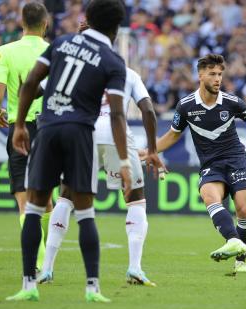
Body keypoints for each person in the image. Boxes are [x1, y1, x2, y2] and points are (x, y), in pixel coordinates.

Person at [7, 0, 129, 302]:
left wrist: (20, 124)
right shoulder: (114, 62)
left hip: (47, 130)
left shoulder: (61, 43)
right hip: (79, 134)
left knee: (34, 208)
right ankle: (92, 289)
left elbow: (32, 83)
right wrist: (123, 159)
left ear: (87, 19)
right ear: (116, 27)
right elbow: (116, 114)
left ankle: (28, 286)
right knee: (85, 213)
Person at [37, 23, 164, 286]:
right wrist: (152, 150)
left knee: (66, 197)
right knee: (135, 200)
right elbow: (148, 111)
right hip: (116, 134)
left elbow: (39, 88)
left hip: (82, 133)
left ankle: (47, 269)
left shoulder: (73, 67)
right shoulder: (125, 72)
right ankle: (134, 268)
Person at [141, 54, 246, 273]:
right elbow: (172, 135)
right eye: (212, 74)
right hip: (211, 163)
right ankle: (233, 240)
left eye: (220, 74)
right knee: (209, 196)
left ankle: (240, 262)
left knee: (244, 209)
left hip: (236, 159)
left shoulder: (231, 101)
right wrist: (151, 150)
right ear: (200, 76)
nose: (218, 79)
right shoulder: (186, 106)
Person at [0, 1, 52, 272]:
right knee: (47, 197)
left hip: (21, 129)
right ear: (46, 23)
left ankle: (36, 263)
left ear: (21, 23)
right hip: (51, 128)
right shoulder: (55, 51)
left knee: (24, 198)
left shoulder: (5, 52)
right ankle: (48, 261)